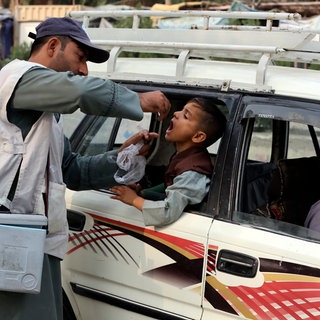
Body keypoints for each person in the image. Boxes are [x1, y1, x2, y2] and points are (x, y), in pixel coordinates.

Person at [0, 16, 170, 320]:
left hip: (32, 240)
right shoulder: (19, 78)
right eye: (80, 57)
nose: (83, 69)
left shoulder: (46, 115)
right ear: (53, 46)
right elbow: (80, 91)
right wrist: (138, 100)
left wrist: (122, 157)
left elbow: (71, 170)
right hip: (11, 236)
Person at [110, 97, 227, 226]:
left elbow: (167, 212)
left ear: (198, 136)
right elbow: (170, 185)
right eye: (181, 110)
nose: (176, 114)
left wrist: (134, 200)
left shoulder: (193, 172)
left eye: (185, 116)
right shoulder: (184, 156)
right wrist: (141, 192)